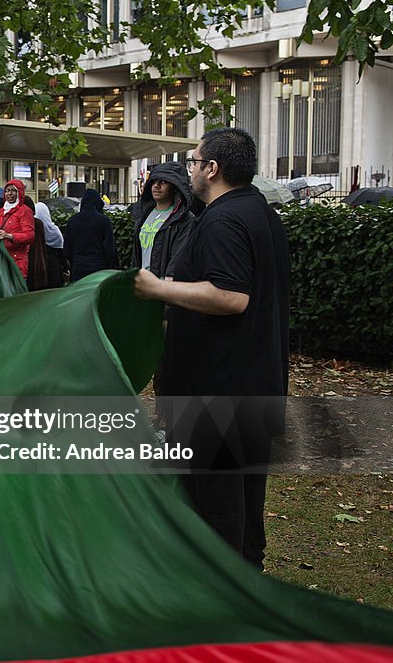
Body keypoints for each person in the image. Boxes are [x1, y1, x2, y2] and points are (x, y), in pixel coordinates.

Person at [133, 127, 290, 570]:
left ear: (213, 169)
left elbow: (231, 295)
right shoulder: (259, 211)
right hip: (252, 381)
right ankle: (246, 585)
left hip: (218, 389)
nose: (191, 170)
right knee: (242, 501)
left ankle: (223, 598)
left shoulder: (224, 220)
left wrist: (159, 288)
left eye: (194, 162)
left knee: (216, 505)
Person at [128, 161, 198, 278]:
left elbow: (178, 260)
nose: (157, 186)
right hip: (142, 284)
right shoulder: (144, 216)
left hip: (164, 288)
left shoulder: (185, 220)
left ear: (176, 187)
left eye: (164, 182)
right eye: (154, 181)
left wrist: (164, 286)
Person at [64, 188, 116, 282]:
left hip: (78, 268)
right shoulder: (104, 221)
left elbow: (67, 249)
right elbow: (110, 249)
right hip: (99, 268)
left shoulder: (72, 221)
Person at [0, 179, 35, 278]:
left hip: (17, 260)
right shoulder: (1, 211)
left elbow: (30, 236)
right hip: (2, 258)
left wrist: (10, 236)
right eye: (7, 190)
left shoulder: (25, 211)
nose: (10, 193)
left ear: (19, 192)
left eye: (13, 190)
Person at [34, 201, 66, 288]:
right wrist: (65, 268)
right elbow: (61, 252)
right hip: (53, 266)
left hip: (37, 266)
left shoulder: (33, 229)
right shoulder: (54, 231)